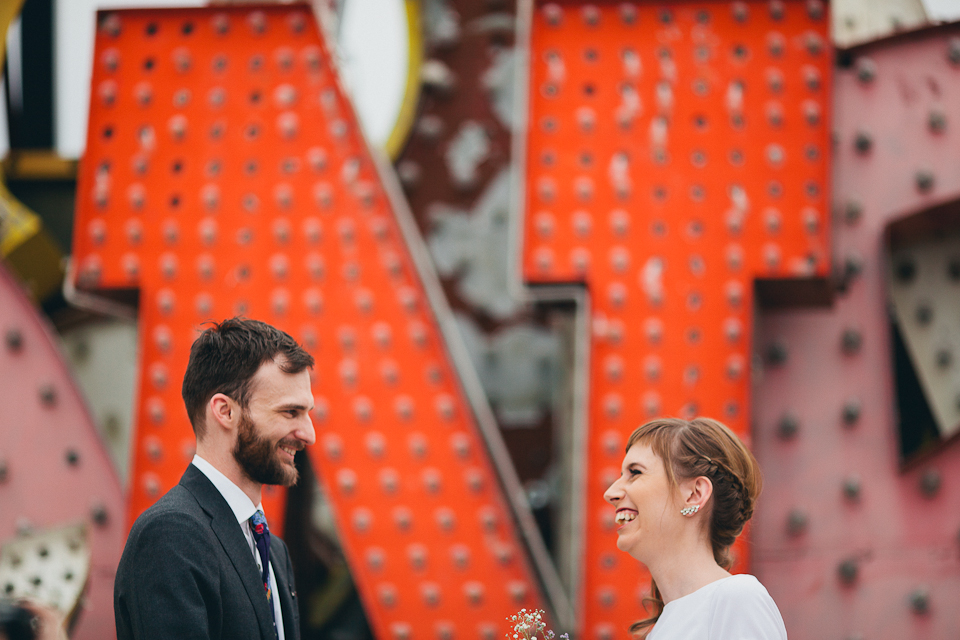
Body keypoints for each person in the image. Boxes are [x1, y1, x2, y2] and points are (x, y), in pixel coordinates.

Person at [115, 318, 316, 640]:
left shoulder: (274, 551)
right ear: (225, 412)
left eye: (308, 413)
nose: (309, 434)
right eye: (290, 412)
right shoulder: (171, 535)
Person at [603, 417, 787, 639]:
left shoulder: (738, 599)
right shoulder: (662, 628)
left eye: (635, 472)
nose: (611, 493)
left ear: (694, 494)